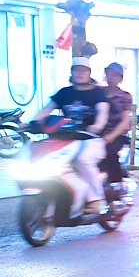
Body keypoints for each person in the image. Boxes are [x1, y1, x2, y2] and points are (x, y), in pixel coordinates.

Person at [29, 59, 110, 212]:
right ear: (71, 72)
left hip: (90, 139)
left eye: (83, 70)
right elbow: (46, 110)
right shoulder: (64, 93)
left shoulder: (97, 93)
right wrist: (33, 122)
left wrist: (97, 126)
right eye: (76, 70)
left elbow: (102, 113)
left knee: (82, 160)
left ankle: (96, 200)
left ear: (89, 73)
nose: (80, 73)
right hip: (65, 139)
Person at [99, 62, 136, 190]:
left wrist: (111, 136)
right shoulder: (98, 92)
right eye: (109, 74)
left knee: (110, 154)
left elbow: (124, 121)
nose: (111, 77)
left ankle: (115, 187)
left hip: (115, 135)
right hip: (96, 133)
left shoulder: (124, 96)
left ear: (120, 78)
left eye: (115, 75)